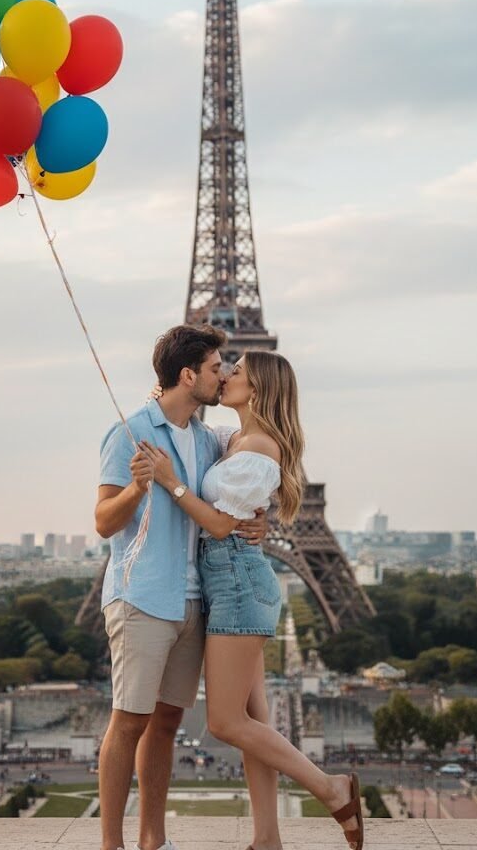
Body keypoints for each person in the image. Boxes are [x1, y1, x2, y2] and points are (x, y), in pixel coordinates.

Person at [138, 350, 364, 850]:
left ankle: (333, 789)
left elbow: (219, 522)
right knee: (255, 721)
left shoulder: (257, 446)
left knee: (224, 721)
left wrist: (171, 482)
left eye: (235, 370)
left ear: (257, 386)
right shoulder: (234, 438)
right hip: (228, 582)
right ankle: (266, 840)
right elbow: (189, 430)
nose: (226, 374)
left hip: (238, 583)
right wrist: (163, 392)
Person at [95, 324, 269, 850]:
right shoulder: (128, 433)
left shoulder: (210, 440)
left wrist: (265, 519)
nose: (225, 376)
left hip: (195, 600)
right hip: (143, 596)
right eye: (218, 368)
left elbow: (244, 484)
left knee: (166, 722)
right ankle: (111, 845)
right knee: (128, 721)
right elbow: (104, 521)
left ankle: (154, 840)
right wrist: (138, 487)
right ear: (189, 374)